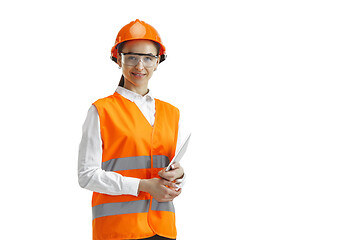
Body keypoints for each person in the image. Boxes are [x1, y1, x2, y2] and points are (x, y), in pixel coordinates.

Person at [78, 19, 186, 240]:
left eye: (148, 58)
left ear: (158, 62)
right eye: (132, 57)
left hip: (163, 227)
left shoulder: (171, 112)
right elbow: (86, 176)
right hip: (118, 230)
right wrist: (142, 185)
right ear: (119, 59)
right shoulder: (101, 110)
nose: (140, 66)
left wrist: (179, 175)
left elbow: (160, 166)